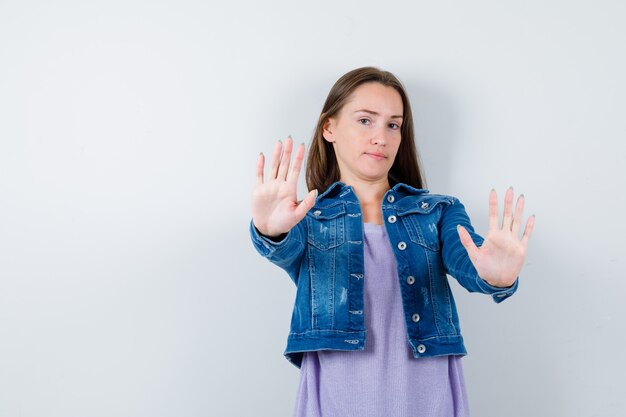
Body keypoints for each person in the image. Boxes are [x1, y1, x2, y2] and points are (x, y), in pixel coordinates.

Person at [249, 67, 535, 417]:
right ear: (330, 128)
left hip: (426, 394)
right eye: (365, 121)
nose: (380, 137)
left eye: (393, 124)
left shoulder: (438, 212)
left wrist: (496, 276)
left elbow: (470, 259)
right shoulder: (307, 218)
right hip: (338, 395)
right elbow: (283, 247)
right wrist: (270, 230)